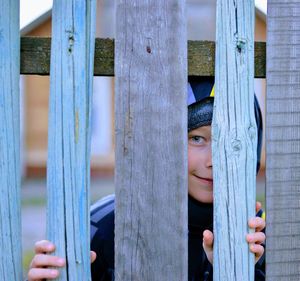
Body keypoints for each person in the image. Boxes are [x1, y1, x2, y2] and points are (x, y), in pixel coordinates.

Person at [27, 77, 266, 281]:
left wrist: (237, 270)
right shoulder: (105, 226)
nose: (213, 160)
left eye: (228, 141)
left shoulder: (258, 237)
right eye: (196, 139)